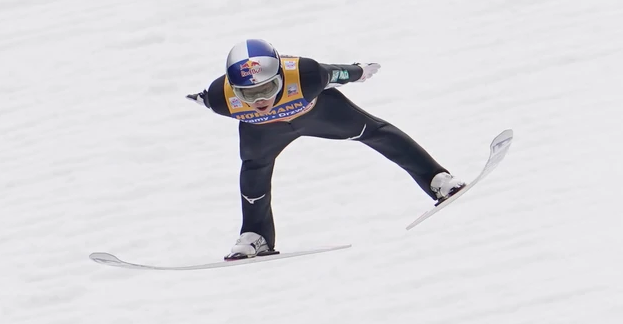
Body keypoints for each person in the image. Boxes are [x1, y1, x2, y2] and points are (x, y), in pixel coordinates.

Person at [186, 39, 465, 260]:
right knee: (253, 170)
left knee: (377, 133)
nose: (260, 100)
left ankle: (437, 180)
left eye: (268, 88)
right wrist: (203, 98)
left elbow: (337, 72)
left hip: (321, 114)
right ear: (234, 90)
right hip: (264, 132)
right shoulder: (220, 98)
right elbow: (209, 98)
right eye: (249, 94)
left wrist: (359, 71)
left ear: (281, 76)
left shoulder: (305, 75)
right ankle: (255, 235)